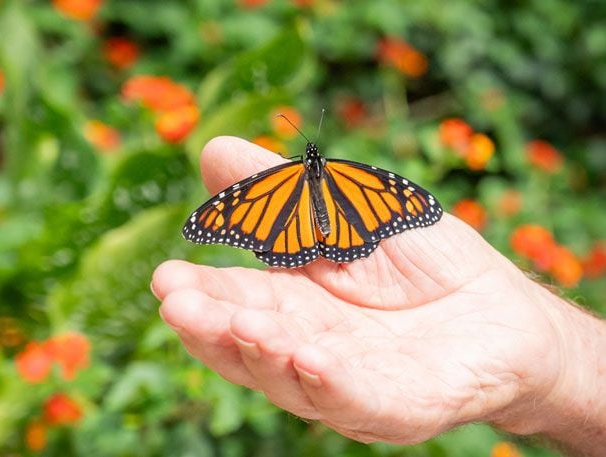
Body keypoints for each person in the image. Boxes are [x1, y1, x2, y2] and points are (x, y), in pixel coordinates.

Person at [150, 136, 606, 456]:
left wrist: (562, 359)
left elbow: (398, 202)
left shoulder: (294, 180)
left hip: (299, 234)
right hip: (332, 233)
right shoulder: (348, 176)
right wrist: (561, 362)